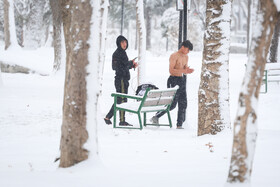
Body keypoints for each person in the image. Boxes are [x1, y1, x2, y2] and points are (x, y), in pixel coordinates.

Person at [150, 40, 194, 129]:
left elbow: (184, 68)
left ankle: (179, 124)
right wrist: (183, 71)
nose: (188, 52)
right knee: (172, 104)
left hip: (181, 80)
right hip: (173, 80)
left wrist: (187, 70)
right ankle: (156, 116)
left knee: (183, 103)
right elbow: (171, 70)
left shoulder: (186, 57)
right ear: (183, 47)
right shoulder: (174, 56)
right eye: (187, 49)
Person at [104, 35, 138, 126]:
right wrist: (129, 64)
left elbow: (124, 66)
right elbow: (115, 67)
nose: (124, 44)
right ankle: (120, 120)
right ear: (119, 43)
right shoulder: (117, 53)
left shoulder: (123, 53)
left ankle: (110, 117)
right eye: (122, 42)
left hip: (124, 80)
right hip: (121, 80)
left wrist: (131, 65)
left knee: (120, 100)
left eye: (125, 42)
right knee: (121, 100)